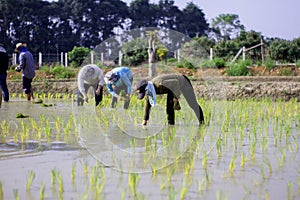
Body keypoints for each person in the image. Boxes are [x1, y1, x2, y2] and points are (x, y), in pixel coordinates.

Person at [136, 73, 205, 126]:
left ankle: (202, 122)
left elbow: (176, 82)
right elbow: (148, 104)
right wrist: (145, 120)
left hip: (182, 82)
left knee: (192, 103)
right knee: (169, 106)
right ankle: (171, 124)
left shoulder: (160, 84)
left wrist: (176, 98)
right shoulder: (149, 90)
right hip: (171, 88)